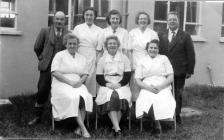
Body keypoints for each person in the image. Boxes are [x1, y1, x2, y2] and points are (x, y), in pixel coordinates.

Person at [29, 11, 69, 125]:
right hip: (47, 67)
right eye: (57, 19)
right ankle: (37, 117)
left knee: (60, 91)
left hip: (62, 68)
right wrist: (42, 58)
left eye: (62, 19)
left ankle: (59, 118)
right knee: (42, 90)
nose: (59, 21)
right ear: (53, 20)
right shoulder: (45, 31)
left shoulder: (68, 32)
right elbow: (37, 47)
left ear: (64, 21)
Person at [51, 33, 93, 138]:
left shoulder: (82, 58)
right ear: (66, 44)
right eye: (70, 43)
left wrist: (80, 82)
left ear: (78, 45)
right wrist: (70, 83)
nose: (72, 46)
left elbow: (85, 74)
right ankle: (83, 129)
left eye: (74, 44)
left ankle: (79, 128)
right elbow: (55, 72)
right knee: (73, 97)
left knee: (85, 97)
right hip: (61, 83)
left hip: (77, 83)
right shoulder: (59, 55)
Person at [158, 12, 195, 124]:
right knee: (165, 92)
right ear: (167, 22)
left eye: (174, 19)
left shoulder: (185, 35)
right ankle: (165, 115)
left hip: (179, 71)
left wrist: (190, 70)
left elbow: (191, 54)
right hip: (164, 71)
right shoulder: (161, 34)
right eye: (170, 20)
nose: (172, 21)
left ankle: (176, 116)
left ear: (178, 22)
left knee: (177, 93)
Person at [135, 39, 176, 138]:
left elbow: (171, 76)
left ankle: (156, 124)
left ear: (158, 49)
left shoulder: (164, 58)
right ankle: (157, 125)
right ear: (147, 49)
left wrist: (160, 87)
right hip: (146, 85)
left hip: (162, 84)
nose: (153, 50)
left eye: (155, 48)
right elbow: (138, 80)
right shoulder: (142, 60)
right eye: (151, 48)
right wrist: (148, 88)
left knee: (162, 98)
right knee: (146, 99)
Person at [95, 36, 132, 137]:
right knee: (111, 96)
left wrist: (120, 84)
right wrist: (107, 84)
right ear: (106, 46)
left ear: (118, 45)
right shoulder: (102, 59)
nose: (112, 45)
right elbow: (98, 77)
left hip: (121, 83)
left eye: (114, 43)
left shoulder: (124, 58)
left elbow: (128, 75)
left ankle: (115, 128)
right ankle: (117, 129)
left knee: (121, 97)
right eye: (110, 43)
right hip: (107, 83)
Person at [128, 11, 159, 101]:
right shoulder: (132, 33)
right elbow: (129, 50)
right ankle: (134, 109)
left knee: (147, 85)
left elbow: (155, 50)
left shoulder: (153, 33)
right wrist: (131, 64)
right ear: (137, 20)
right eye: (141, 19)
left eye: (145, 19)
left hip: (148, 62)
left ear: (148, 20)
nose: (143, 20)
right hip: (135, 61)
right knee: (135, 86)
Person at [73, 7, 102, 97]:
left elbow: (99, 47)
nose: (89, 17)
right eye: (87, 15)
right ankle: (79, 98)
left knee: (91, 78)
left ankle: (90, 100)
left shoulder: (99, 30)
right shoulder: (78, 28)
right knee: (80, 75)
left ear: (94, 17)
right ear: (84, 16)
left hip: (93, 55)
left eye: (91, 15)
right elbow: (74, 43)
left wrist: (97, 59)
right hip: (80, 54)